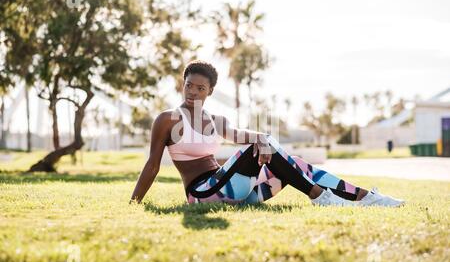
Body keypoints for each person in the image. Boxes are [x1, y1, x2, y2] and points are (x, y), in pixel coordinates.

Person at [130, 60, 404, 207]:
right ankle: (320, 196)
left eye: (200, 88)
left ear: (210, 91)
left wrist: (262, 139)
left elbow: (241, 133)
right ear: (183, 84)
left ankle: (365, 197)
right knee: (260, 145)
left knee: (292, 160)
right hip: (203, 193)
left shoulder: (216, 119)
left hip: (241, 193)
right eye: (189, 85)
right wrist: (134, 203)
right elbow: (152, 164)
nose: (193, 92)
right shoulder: (167, 119)